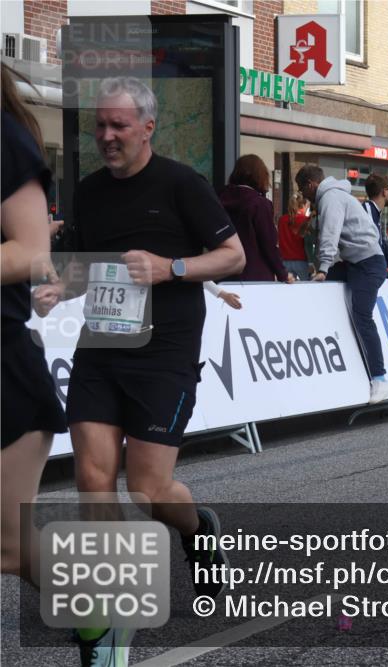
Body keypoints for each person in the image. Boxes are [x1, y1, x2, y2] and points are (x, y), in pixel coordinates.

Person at [34, 76, 246, 662]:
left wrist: (170, 267)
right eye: (99, 125)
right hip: (101, 349)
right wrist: (60, 288)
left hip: (165, 354)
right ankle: (106, 613)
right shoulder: (93, 191)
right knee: (93, 478)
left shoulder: (182, 184)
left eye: (118, 126)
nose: (106, 136)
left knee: (149, 488)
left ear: (147, 127)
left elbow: (233, 255)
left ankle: (196, 529)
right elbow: (91, 267)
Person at [1, 64, 67, 592]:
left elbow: (30, 249)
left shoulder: (5, 139)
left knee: (10, 548)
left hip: (5, 372)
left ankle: (103, 612)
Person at [296, 165, 388, 404]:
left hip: (368, 265)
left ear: (311, 184)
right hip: (356, 263)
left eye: (301, 189)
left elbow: (330, 232)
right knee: (323, 284)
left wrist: (323, 267)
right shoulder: (338, 195)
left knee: (362, 316)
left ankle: (380, 379)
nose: (301, 195)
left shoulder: (330, 197)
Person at [218, 154, 292, 283]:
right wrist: (283, 274)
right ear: (260, 176)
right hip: (255, 276)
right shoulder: (259, 204)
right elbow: (268, 243)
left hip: (223, 273)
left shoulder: (218, 199)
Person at [278, 192, 312, 281]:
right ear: (304, 205)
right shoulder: (305, 220)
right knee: (307, 287)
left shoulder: (281, 220)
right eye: (307, 207)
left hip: (284, 260)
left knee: (287, 289)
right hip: (301, 260)